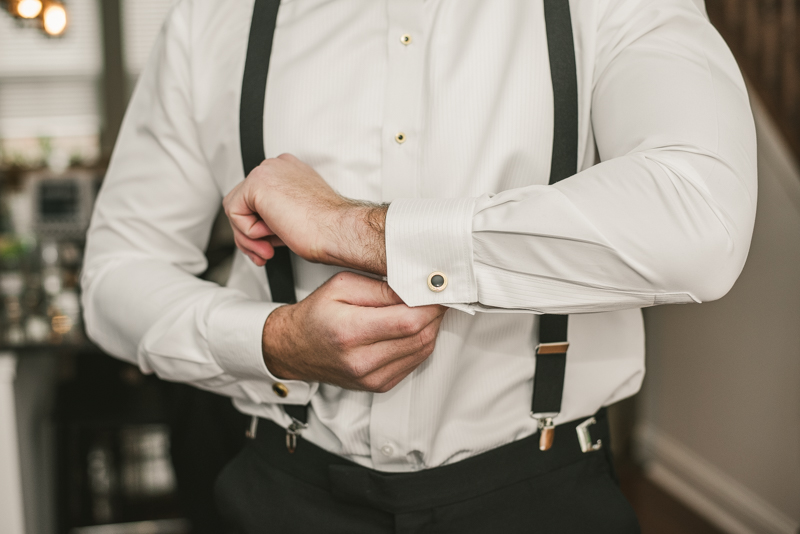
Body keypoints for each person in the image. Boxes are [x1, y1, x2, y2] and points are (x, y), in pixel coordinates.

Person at [82, 0, 757, 532]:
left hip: (542, 498)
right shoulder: (212, 19)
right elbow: (116, 276)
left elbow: (701, 217)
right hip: (281, 491)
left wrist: (357, 230)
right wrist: (275, 342)